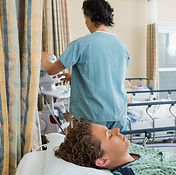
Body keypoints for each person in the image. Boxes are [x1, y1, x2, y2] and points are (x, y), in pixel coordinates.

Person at [41, 0, 130, 131]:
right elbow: (108, 75)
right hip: (119, 114)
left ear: (90, 17)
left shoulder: (81, 44)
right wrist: (76, 78)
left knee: (92, 151)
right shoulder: (121, 46)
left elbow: (51, 70)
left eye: (85, 17)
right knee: (116, 151)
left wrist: (42, 55)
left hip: (93, 115)